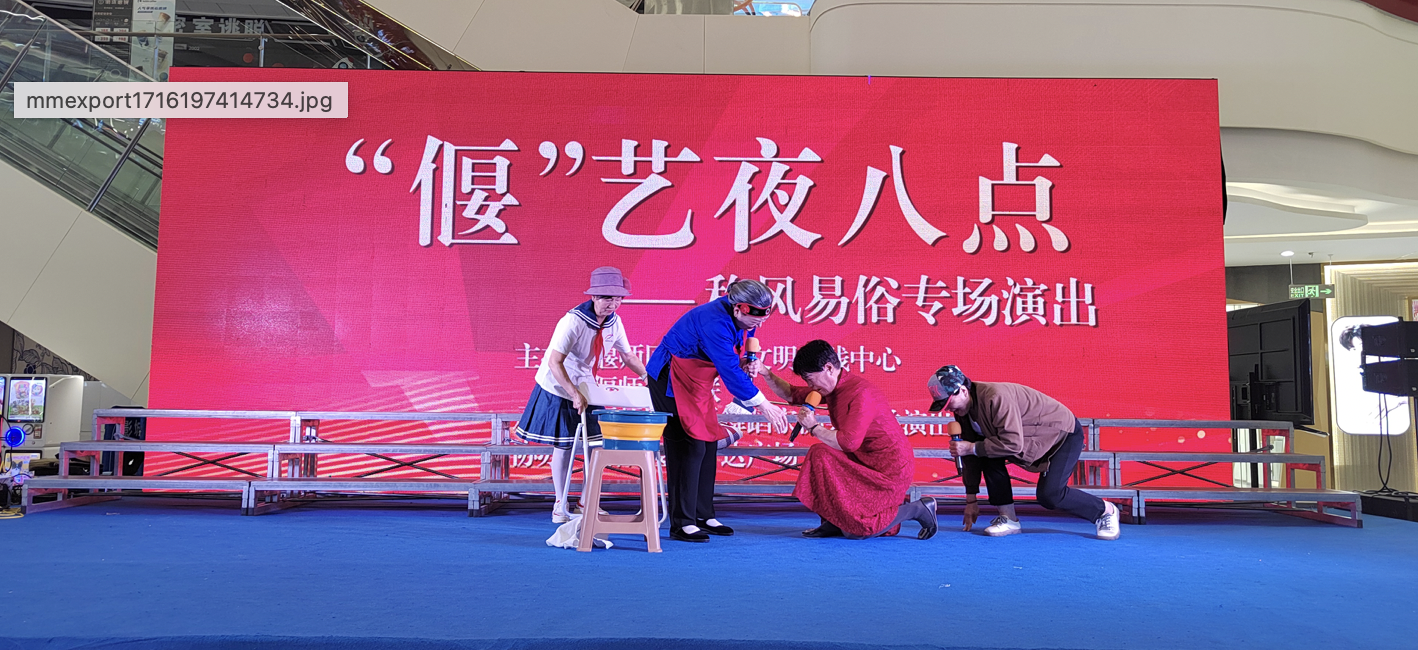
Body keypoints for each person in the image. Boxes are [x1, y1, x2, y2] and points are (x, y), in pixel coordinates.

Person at [647, 279, 791, 542]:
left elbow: (739, 348)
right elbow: (729, 372)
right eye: (755, 320)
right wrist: (765, 405)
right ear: (738, 309)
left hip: (696, 381)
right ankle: (682, 522)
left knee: (708, 443)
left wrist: (748, 360)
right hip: (670, 377)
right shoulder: (714, 322)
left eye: (763, 319)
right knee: (688, 446)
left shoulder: (743, 315)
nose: (758, 326)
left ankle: (703, 515)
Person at [761, 340, 938, 540]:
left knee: (856, 531)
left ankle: (917, 509)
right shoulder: (831, 388)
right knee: (820, 454)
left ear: (829, 368)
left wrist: (814, 427)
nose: (810, 386)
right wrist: (765, 373)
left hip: (889, 470)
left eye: (810, 379)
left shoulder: (860, 392)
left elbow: (848, 442)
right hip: (861, 460)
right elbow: (792, 394)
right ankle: (832, 521)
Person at [515, 266, 648, 523]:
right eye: (607, 298)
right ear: (594, 296)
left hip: (587, 386)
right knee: (564, 446)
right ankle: (559, 504)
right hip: (558, 386)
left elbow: (628, 355)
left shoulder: (615, 322)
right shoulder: (573, 320)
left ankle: (586, 502)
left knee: (597, 447)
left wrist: (646, 377)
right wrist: (573, 393)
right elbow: (555, 362)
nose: (613, 304)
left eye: (618, 298)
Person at [926, 365, 1121, 540]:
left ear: (962, 390)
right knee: (985, 453)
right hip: (1029, 440)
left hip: (1061, 435)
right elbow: (972, 456)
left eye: (948, 403)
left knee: (1050, 495)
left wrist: (972, 447)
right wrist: (971, 500)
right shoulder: (963, 411)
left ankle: (1105, 511)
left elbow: (1012, 443)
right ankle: (1009, 518)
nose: (947, 409)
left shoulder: (995, 397)